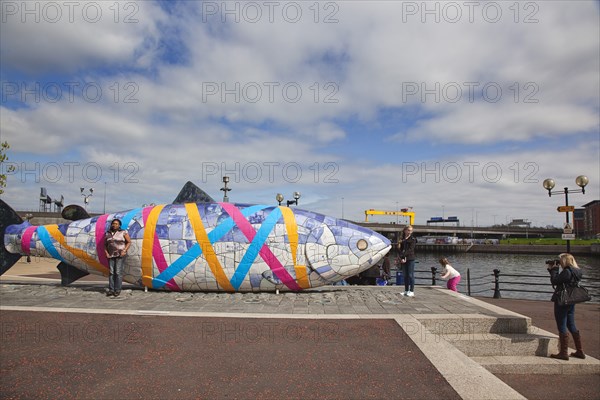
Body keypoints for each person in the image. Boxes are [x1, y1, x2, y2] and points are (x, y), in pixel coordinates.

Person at [547, 253, 586, 360]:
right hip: (571, 300)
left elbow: (555, 281)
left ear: (564, 261)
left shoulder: (567, 272)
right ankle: (580, 351)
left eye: (560, 260)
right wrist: (553, 270)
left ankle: (563, 353)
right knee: (571, 324)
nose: (559, 262)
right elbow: (561, 280)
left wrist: (554, 270)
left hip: (562, 301)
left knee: (562, 325)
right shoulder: (577, 271)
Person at [104, 218, 131, 297]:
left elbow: (129, 242)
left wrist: (124, 250)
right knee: (111, 273)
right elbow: (105, 245)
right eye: (113, 223)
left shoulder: (123, 232)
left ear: (119, 225)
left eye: (116, 224)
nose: (115, 225)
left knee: (118, 272)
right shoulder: (108, 233)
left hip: (120, 255)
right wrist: (106, 253)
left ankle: (117, 289)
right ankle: (111, 289)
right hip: (111, 255)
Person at [399, 225, 417, 297]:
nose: (409, 232)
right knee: (405, 275)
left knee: (410, 275)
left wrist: (404, 256)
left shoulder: (413, 239)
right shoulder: (402, 239)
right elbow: (400, 249)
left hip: (410, 258)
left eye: (411, 230)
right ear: (405, 230)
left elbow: (410, 249)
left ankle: (412, 291)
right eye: (408, 230)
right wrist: (401, 257)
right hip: (403, 258)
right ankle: (406, 290)